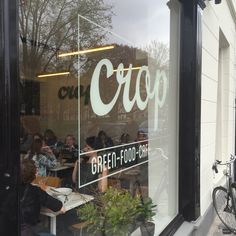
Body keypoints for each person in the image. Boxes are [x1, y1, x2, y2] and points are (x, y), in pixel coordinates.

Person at [20, 159, 64, 236]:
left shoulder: (8, 188)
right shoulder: (35, 191)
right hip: (27, 231)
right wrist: (42, 192)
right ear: (35, 174)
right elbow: (58, 206)